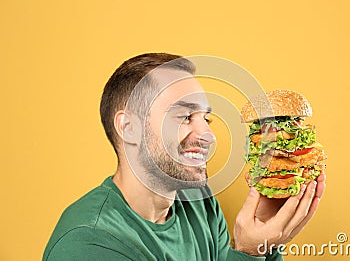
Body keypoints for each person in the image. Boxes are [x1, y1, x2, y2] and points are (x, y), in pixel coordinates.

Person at [43, 53, 326, 260]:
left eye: (207, 119)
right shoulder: (89, 244)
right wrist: (247, 252)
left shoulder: (199, 204)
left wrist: (264, 238)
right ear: (129, 128)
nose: (209, 136)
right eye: (185, 116)